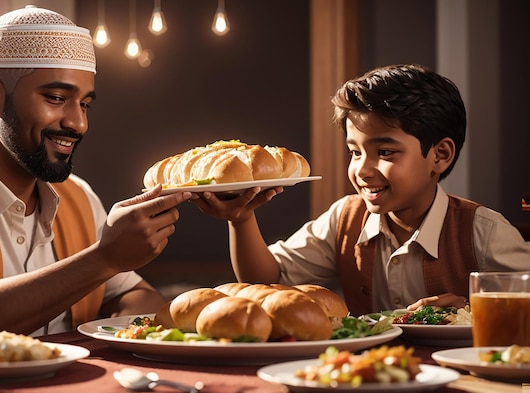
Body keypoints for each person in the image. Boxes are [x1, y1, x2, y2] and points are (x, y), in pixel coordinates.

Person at [0, 6, 191, 354]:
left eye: (85, 105)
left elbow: (138, 296)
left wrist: (115, 330)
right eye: (56, 98)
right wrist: (103, 259)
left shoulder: (79, 197)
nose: (78, 124)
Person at [191, 63, 530, 317]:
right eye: (355, 152)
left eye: (385, 152)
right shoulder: (345, 218)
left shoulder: (483, 232)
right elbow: (266, 281)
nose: (362, 170)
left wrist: (474, 308)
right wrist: (241, 219)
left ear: (439, 155)